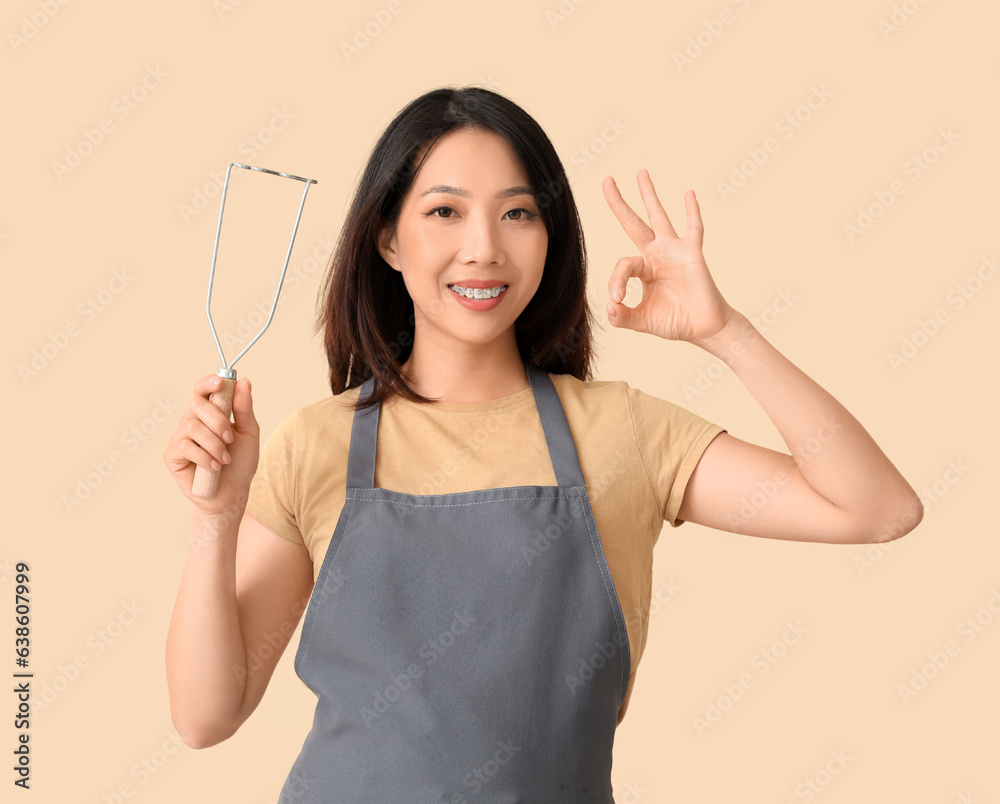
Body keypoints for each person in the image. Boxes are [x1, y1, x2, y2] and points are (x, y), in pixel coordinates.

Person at [163, 86, 922, 802]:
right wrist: (215, 519)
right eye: (445, 212)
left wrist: (726, 334)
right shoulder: (311, 445)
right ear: (388, 239)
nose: (483, 248)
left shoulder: (624, 433)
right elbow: (206, 716)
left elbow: (878, 510)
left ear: (550, 236)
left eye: (517, 213)